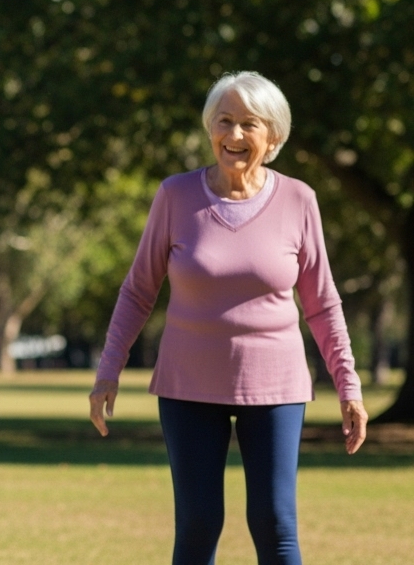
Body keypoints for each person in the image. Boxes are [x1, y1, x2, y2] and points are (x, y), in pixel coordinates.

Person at [88, 71, 367, 565]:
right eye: (224, 122)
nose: (234, 136)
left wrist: (349, 385)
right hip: (187, 385)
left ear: (273, 136)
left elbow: (322, 303)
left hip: (276, 386)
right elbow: (138, 291)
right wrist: (109, 368)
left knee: (275, 524)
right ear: (209, 128)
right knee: (197, 525)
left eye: (249, 124)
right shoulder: (175, 196)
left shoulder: (299, 200)